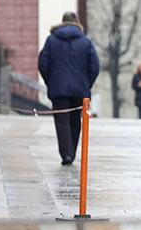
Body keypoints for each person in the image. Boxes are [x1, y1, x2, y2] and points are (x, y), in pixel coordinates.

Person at [38, 12, 101, 165]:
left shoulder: (51, 40)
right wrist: (87, 84)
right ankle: (71, 151)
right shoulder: (86, 42)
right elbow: (95, 66)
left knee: (61, 121)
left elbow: (43, 64)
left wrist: (51, 82)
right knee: (75, 119)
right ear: (77, 22)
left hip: (59, 89)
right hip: (80, 90)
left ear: (62, 22)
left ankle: (66, 153)